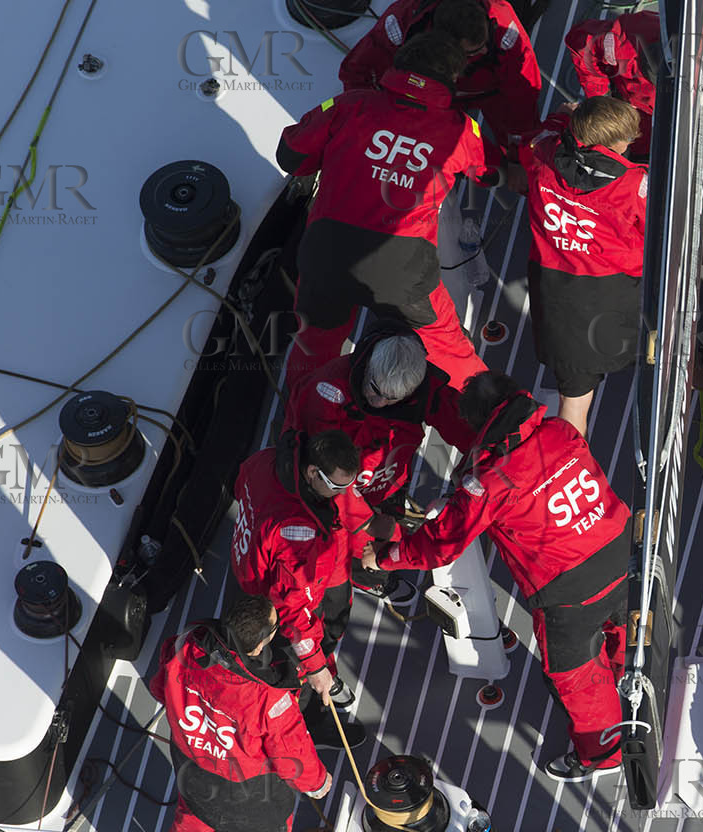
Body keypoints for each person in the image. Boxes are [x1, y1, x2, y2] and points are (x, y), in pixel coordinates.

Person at [370, 371, 631, 781]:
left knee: (576, 682)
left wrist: (388, 556)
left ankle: (604, 754)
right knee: (623, 628)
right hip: (623, 550)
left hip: (569, 594)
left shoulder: (488, 481)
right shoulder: (561, 431)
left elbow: (443, 543)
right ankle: (624, 671)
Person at [278, 33, 502, 392]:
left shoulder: (347, 105)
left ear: (396, 68)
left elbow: (291, 157)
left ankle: (297, 429)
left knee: (312, 351)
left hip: (326, 255)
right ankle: (496, 425)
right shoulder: (461, 129)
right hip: (401, 269)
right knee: (450, 351)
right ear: (452, 81)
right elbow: (489, 173)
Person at [152, 595, 332, 832]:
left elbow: (161, 688)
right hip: (251, 795)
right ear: (263, 642)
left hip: (193, 771)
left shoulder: (185, 644)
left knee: (192, 825)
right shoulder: (268, 697)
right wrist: (318, 782)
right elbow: (290, 755)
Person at [283, 326, 478, 604]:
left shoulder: (422, 389)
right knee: (352, 547)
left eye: (392, 399)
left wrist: (482, 458)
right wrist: (368, 522)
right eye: (376, 391)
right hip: (337, 492)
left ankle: (379, 559)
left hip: (388, 479)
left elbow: (460, 423)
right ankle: (368, 580)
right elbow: (318, 471)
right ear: (369, 366)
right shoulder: (326, 393)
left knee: (387, 535)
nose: (380, 402)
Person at [565, 10, 703, 264]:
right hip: (639, 108)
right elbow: (582, 44)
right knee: (635, 154)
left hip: (700, 120)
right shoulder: (623, 42)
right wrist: (602, 104)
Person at [230, 429, 381, 745]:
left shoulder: (268, 458)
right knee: (296, 661)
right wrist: (314, 667)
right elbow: (294, 610)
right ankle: (313, 721)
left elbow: (239, 482)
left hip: (312, 557)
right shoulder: (296, 533)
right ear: (313, 472)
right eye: (338, 486)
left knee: (335, 612)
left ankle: (323, 668)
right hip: (282, 587)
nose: (343, 492)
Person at [516, 96, 647, 435]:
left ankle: (571, 467)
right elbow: (657, 234)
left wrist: (562, 117)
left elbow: (535, 140)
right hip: (613, 290)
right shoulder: (634, 184)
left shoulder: (542, 153)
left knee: (573, 398)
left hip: (555, 290)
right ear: (616, 145)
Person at [338, 0, 543, 145]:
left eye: (484, 44)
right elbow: (357, 72)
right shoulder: (401, 24)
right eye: (473, 52)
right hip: (428, 95)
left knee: (517, 139)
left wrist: (519, 150)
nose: (486, 50)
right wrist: (374, 121)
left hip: (491, 92)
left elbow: (523, 94)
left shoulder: (505, 32)